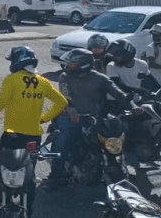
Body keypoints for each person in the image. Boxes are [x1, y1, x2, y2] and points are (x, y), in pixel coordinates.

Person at [0, 46, 67, 213]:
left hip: (12, 137)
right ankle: (29, 211)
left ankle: (1, 209)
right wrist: (43, 118)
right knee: (29, 177)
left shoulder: (12, 80)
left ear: (17, 61)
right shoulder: (44, 82)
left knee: (4, 175)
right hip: (33, 139)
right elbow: (62, 102)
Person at [48, 48, 141, 186]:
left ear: (84, 65)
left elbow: (118, 93)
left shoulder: (100, 78)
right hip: (71, 117)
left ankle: (120, 165)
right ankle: (55, 176)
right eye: (69, 64)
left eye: (72, 64)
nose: (68, 66)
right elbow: (64, 97)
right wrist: (72, 111)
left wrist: (133, 107)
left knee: (118, 137)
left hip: (96, 118)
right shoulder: (65, 77)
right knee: (63, 141)